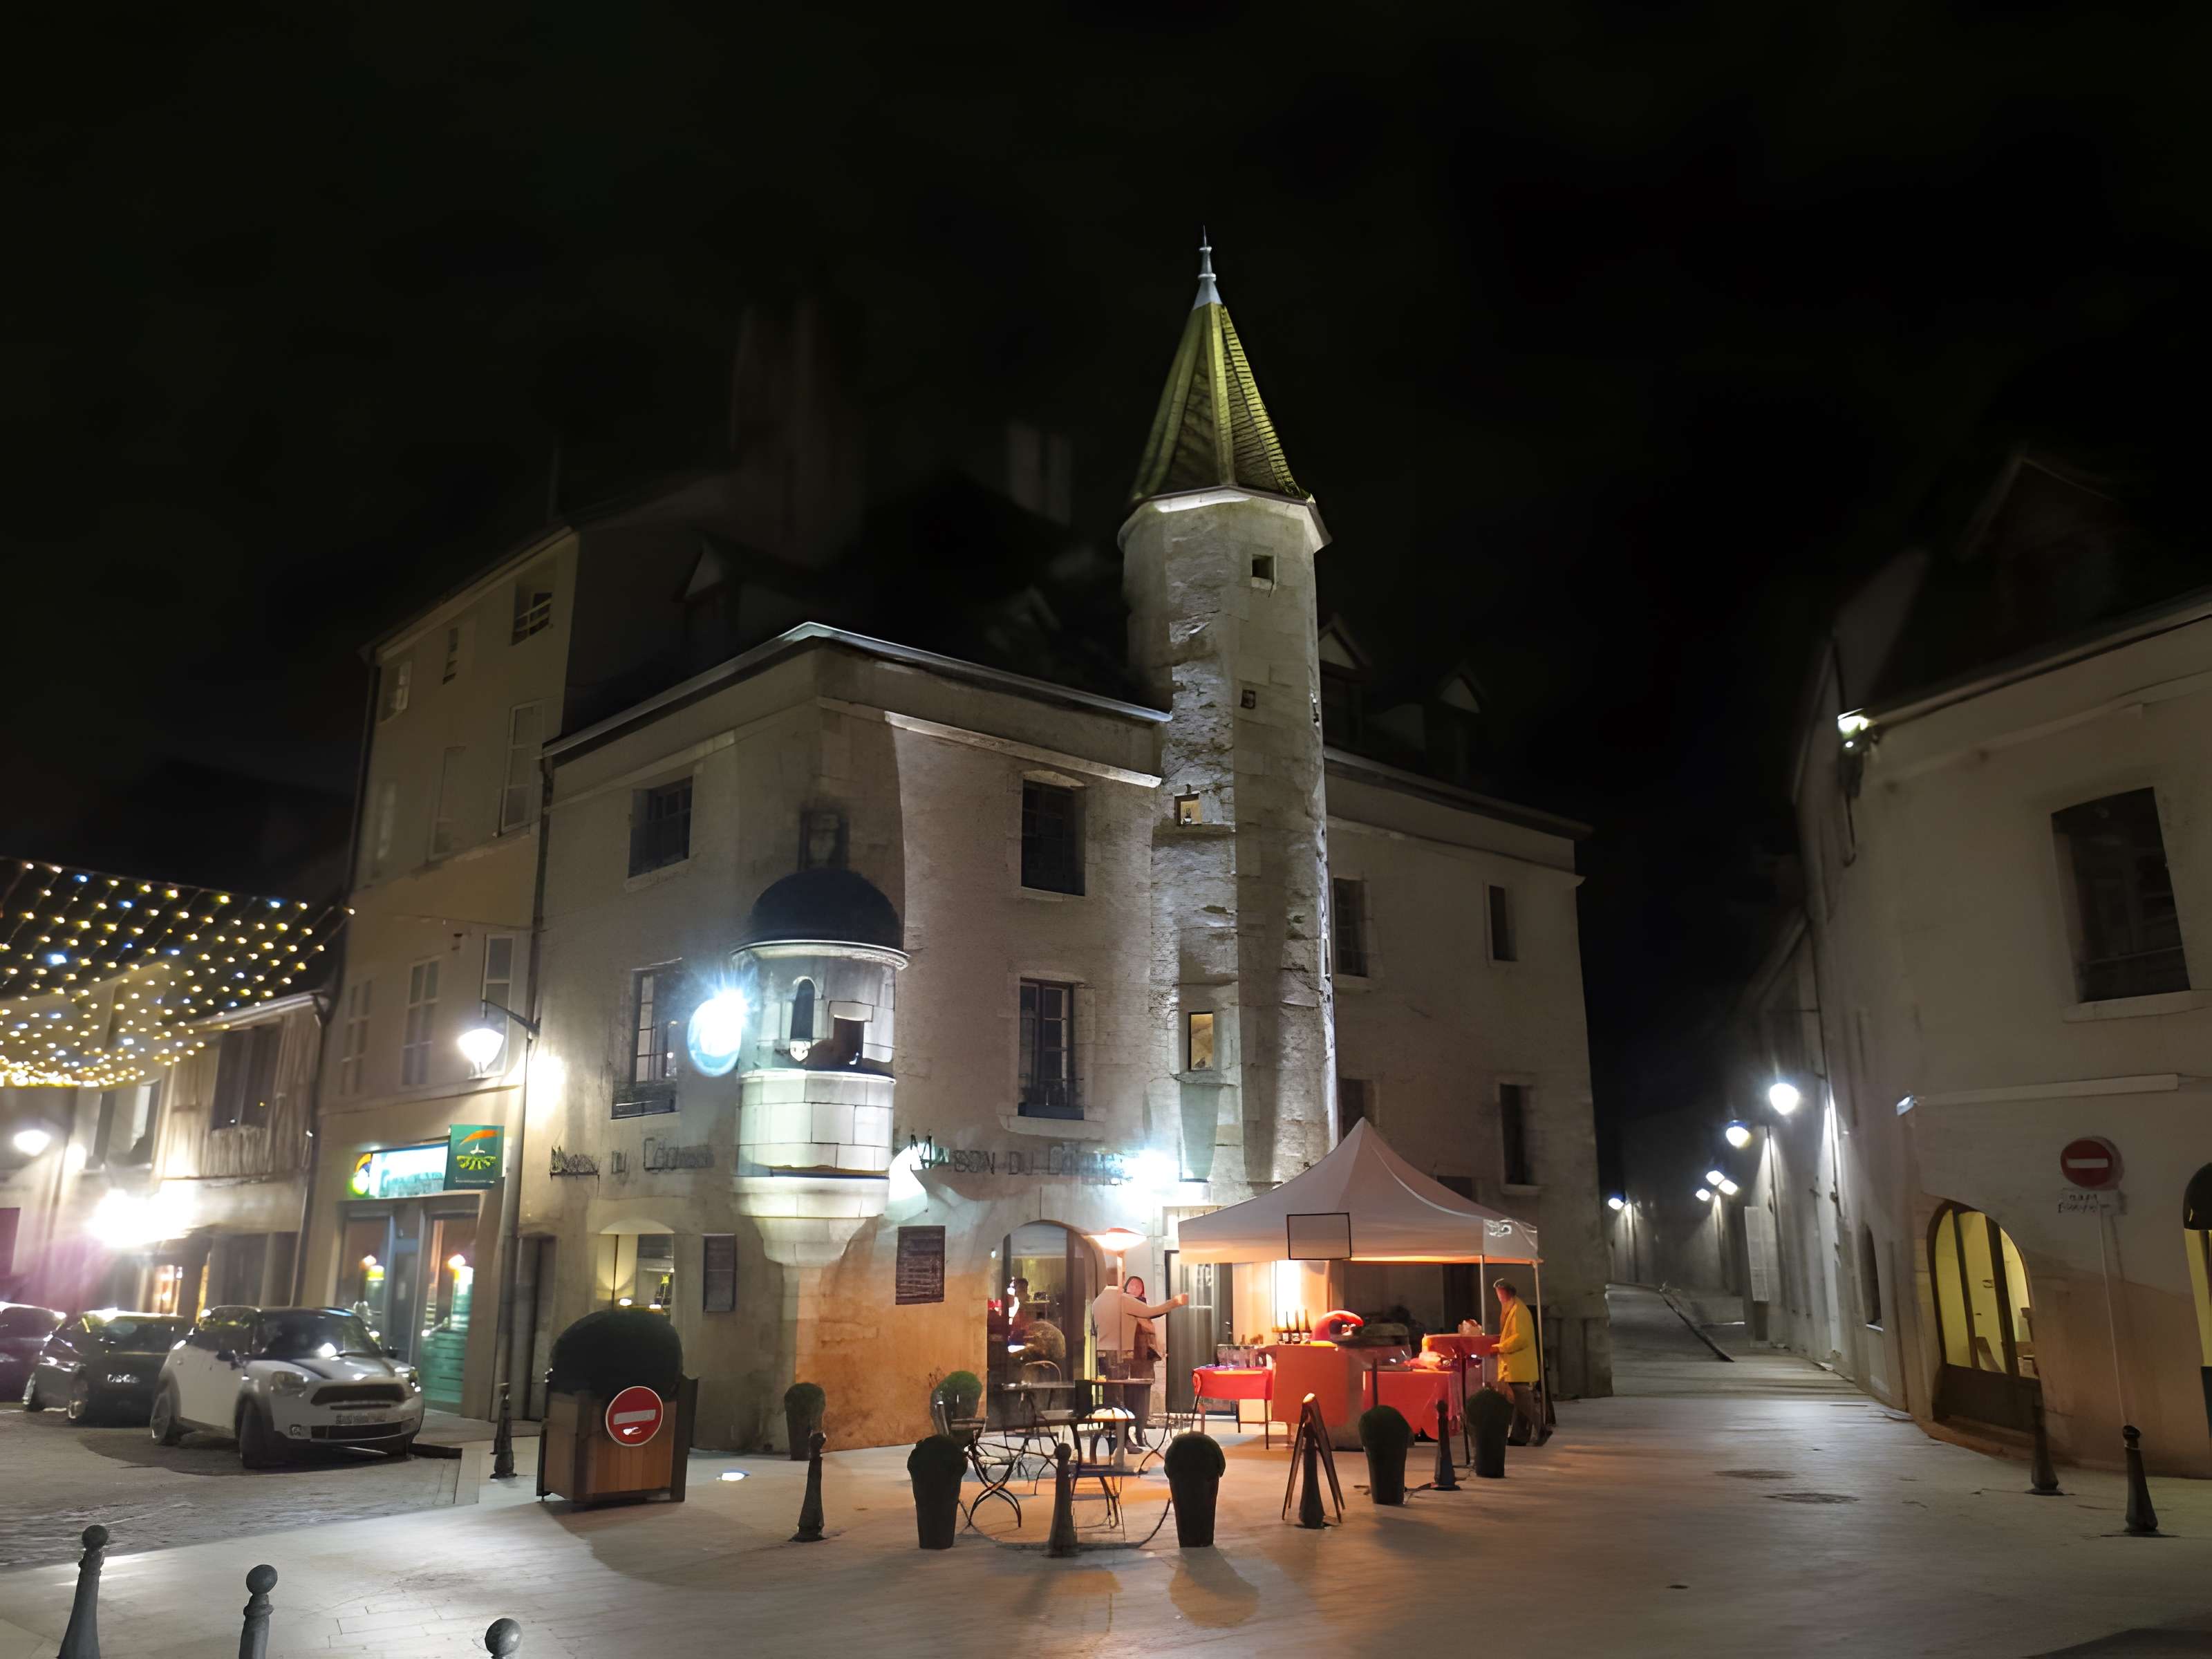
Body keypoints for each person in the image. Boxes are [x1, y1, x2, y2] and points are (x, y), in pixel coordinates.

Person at [1089, 1273, 1186, 1432]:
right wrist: (1175, 1302)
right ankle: (1125, 1436)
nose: (1133, 1289)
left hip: (1104, 1355)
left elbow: (1094, 1330)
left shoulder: (1097, 1302)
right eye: (1131, 1285)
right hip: (1124, 1356)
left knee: (1113, 1398)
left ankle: (1114, 1432)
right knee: (1126, 1399)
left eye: (1137, 1286)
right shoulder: (1124, 1300)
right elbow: (1153, 1312)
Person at [1492, 1278, 1548, 1445]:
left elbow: (1520, 1338)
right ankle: (1518, 1437)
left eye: (1499, 1294)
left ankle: (1542, 1429)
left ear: (1504, 1293)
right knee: (1519, 1403)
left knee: (1523, 1402)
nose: (1498, 1298)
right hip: (1516, 1366)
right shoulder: (1513, 1308)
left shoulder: (1519, 1311)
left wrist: (1500, 1347)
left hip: (1519, 1366)